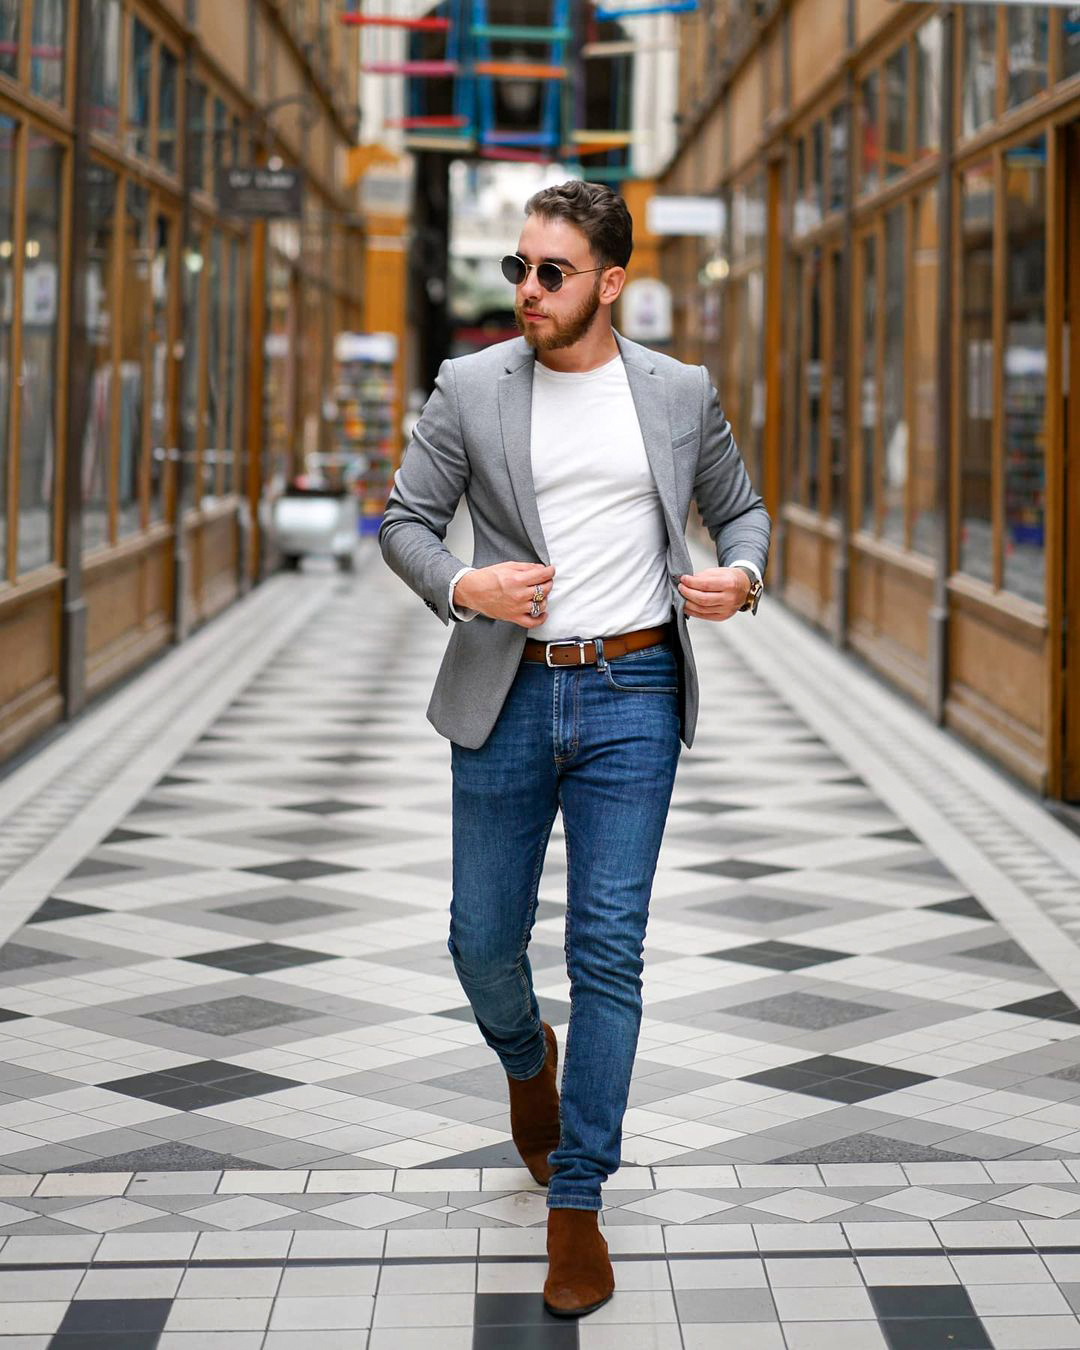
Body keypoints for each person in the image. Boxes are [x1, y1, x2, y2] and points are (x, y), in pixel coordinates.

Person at [379, 180, 770, 1319]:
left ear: (610, 282)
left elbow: (739, 511)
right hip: (506, 692)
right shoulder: (470, 386)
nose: (528, 292)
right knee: (480, 942)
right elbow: (404, 521)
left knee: (610, 949)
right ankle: (523, 1061)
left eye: (551, 273)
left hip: (634, 689)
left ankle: (578, 1202)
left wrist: (738, 578)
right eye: (518, 268)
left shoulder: (677, 392)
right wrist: (466, 582)